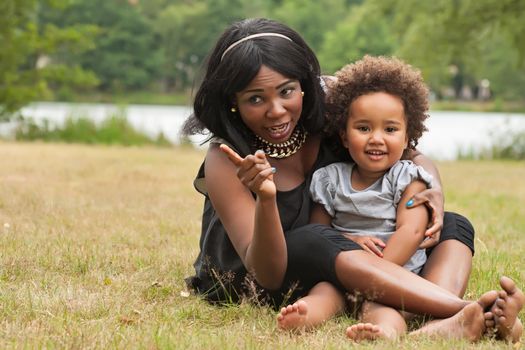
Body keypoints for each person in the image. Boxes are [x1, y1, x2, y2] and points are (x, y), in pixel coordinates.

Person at [182, 18, 523, 342]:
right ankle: (466, 310)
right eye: (255, 99)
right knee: (316, 237)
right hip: (262, 273)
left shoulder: (333, 100)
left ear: (303, 84)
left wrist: (433, 189)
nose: (276, 110)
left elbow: (411, 155)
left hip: (342, 255)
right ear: (233, 104)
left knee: (452, 224)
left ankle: (446, 323)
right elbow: (265, 273)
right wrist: (267, 199)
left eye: (287, 91)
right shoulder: (225, 160)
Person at [277, 55, 523, 343]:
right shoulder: (329, 179)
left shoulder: (408, 178)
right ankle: (305, 315)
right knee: (323, 293)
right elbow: (320, 231)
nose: (377, 139)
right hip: (346, 274)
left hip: (403, 276)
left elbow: (412, 230)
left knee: (380, 307)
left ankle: (392, 332)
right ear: (343, 135)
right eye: (364, 128)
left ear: (408, 138)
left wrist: (378, 276)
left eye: (390, 129)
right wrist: (350, 243)